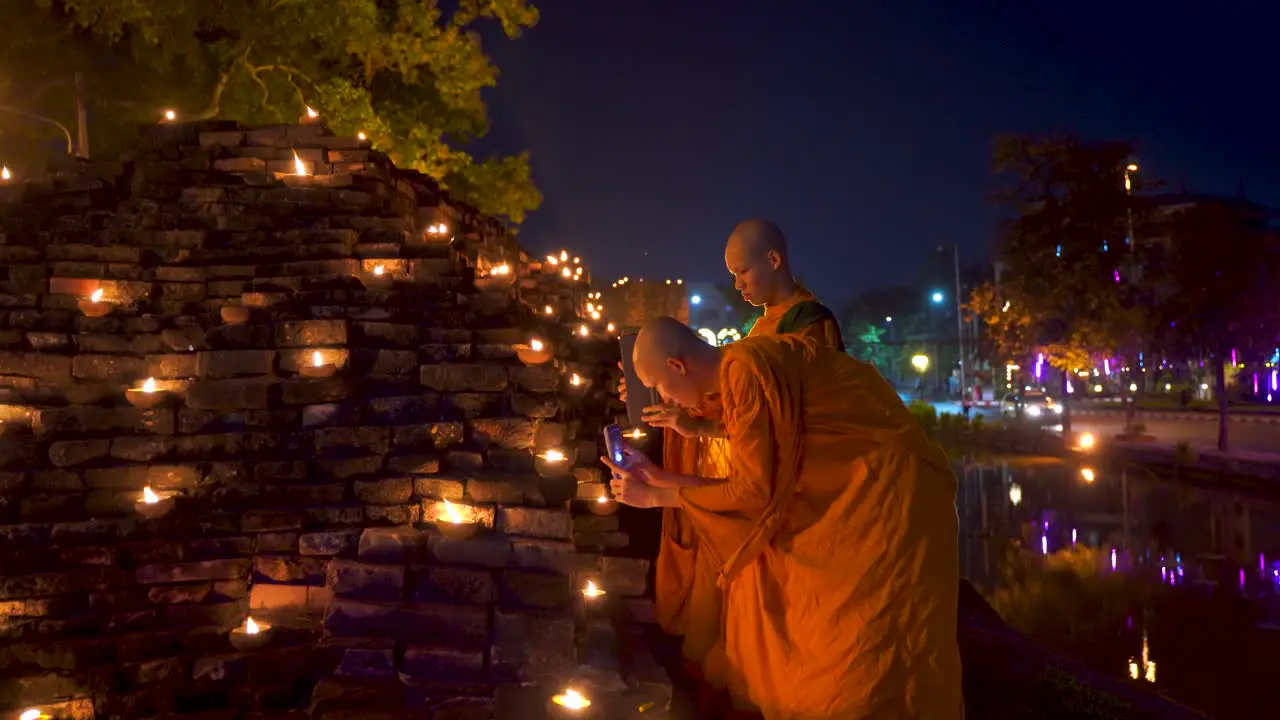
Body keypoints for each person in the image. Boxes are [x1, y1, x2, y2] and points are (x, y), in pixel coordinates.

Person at [606, 317, 963, 719]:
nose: (663, 398)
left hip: (883, 497)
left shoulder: (745, 368)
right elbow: (764, 453)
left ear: (677, 365)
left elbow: (753, 492)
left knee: (864, 646)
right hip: (848, 489)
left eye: (659, 387)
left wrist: (656, 497)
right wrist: (662, 475)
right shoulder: (742, 366)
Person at [637, 219, 844, 710]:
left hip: (781, 490)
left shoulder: (809, 324)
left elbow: (792, 420)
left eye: (742, 271)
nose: (737, 284)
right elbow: (743, 407)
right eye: (731, 275)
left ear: (774, 260)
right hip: (736, 474)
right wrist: (694, 423)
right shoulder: (761, 327)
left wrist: (674, 478)